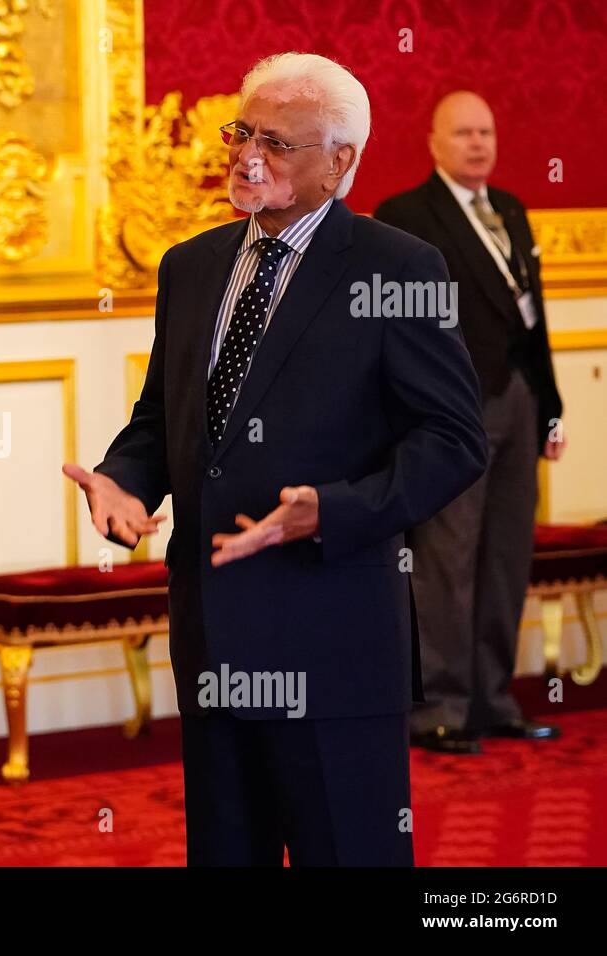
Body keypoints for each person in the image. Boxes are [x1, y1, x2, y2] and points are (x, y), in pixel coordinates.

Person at [64, 53, 486, 865]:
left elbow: (454, 441)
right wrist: (123, 479)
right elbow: (163, 415)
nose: (248, 158)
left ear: (341, 162)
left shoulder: (398, 268)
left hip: (332, 642)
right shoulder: (191, 266)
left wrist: (336, 509)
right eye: (243, 133)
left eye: (279, 144)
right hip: (214, 641)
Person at [376, 91, 564, 755]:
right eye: (463, 133)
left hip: (519, 400)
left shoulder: (510, 208)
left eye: (486, 131)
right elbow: (394, 326)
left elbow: (532, 316)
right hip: (450, 409)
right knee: (446, 561)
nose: (478, 143)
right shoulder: (406, 216)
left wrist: (553, 406)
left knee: (507, 557)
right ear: (433, 142)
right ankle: (439, 711)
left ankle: (492, 700)